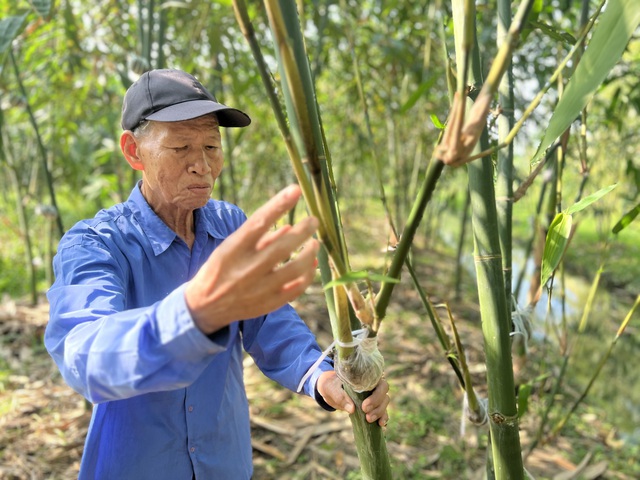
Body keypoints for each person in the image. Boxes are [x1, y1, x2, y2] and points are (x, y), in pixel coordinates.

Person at [45, 68, 390, 479]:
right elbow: (85, 353)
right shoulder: (96, 243)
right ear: (134, 151)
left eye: (211, 145)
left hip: (223, 462)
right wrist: (191, 314)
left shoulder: (230, 226)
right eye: (181, 147)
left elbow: (270, 324)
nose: (202, 166)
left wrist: (325, 376)